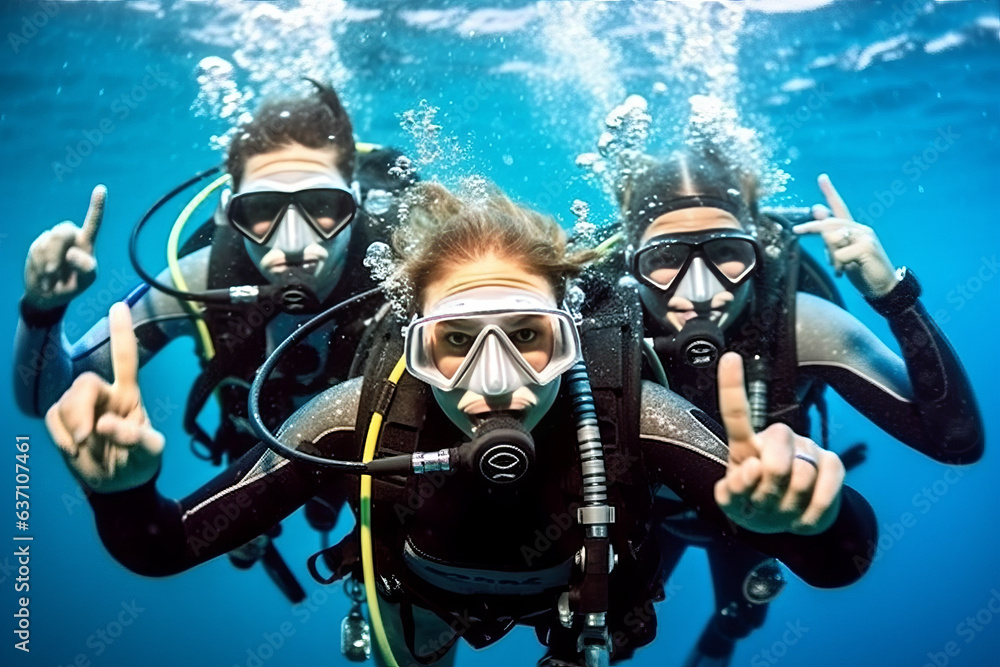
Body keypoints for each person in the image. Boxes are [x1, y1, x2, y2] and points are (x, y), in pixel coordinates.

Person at [44, 182, 877, 667]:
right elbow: (162, 546)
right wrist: (124, 491)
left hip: (580, 615)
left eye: (528, 338)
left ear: (573, 337)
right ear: (412, 346)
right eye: (452, 343)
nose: (494, 385)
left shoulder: (635, 411)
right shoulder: (351, 418)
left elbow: (841, 562)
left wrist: (809, 517)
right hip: (422, 603)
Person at [14, 80, 413, 602]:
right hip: (254, 462)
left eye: (321, 206)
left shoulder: (406, 276)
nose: (293, 245)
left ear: (356, 204)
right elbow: (43, 398)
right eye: (263, 211)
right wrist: (42, 310)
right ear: (231, 212)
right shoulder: (201, 283)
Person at [614, 145, 984, 666]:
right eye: (666, 259)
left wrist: (892, 295)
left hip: (768, 509)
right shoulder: (607, 332)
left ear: (757, 251)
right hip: (650, 508)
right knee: (614, 629)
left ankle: (717, 644)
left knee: (739, 616)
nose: (700, 293)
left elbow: (956, 441)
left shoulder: (798, 324)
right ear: (632, 264)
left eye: (726, 254)